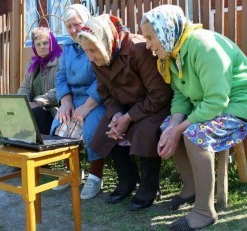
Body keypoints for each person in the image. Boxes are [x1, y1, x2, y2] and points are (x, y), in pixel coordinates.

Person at [141, 4, 247, 230]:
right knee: (167, 126)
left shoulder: (203, 46)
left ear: (166, 31)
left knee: (193, 133)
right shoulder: (174, 52)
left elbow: (218, 101)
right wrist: (173, 127)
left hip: (237, 107)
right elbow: (181, 95)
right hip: (210, 107)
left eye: (151, 37)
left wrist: (180, 128)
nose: (148, 45)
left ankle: (204, 211)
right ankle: (190, 189)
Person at [77, 14, 172, 211]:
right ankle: (127, 179)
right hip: (125, 107)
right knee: (108, 128)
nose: (90, 56)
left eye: (92, 50)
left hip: (153, 106)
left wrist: (129, 117)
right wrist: (117, 115)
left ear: (104, 40)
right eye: (86, 51)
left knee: (145, 131)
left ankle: (149, 186)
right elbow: (104, 92)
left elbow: (159, 94)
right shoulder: (99, 57)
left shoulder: (138, 49)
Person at [50, 4, 106, 199]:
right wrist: (65, 102)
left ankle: (95, 176)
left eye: (77, 24)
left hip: (96, 99)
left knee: (91, 127)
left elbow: (103, 77)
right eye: (69, 26)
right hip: (73, 98)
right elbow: (61, 76)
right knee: (61, 124)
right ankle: (73, 171)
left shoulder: (97, 41)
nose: (73, 30)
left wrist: (87, 106)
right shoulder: (68, 48)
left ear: (86, 21)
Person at [18, 27, 62, 135]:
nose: (42, 47)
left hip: (53, 111)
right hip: (34, 108)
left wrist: (38, 102)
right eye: (38, 44)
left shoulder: (60, 61)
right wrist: (22, 103)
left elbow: (60, 89)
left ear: (52, 43)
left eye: (45, 43)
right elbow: (25, 87)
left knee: (35, 114)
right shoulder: (33, 64)